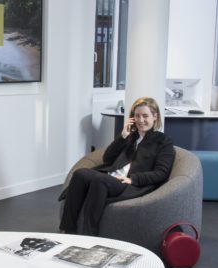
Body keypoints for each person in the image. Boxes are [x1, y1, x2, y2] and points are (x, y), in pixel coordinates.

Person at [58, 97, 175, 236]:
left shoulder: (163, 141)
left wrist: (133, 179)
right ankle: (68, 229)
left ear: (155, 116)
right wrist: (123, 136)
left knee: (99, 180)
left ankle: (89, 234)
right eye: (137, 116)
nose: (140, 120)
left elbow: (162, 172)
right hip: (111, 176)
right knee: (80, 174)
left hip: (129, 184)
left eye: (145, 116)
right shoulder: (131, 136)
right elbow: (107, 158)